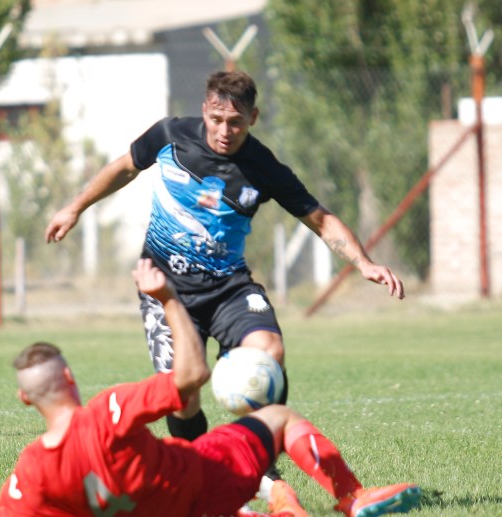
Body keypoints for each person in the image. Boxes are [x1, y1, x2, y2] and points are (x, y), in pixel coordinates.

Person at [45, 70, 405, 509]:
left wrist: (363, 262)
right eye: (216, 119)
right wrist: (75, 208)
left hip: (229, 287)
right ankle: (209, 488)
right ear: (204, 111)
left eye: (235, 122)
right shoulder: (170, 136)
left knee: (269, 350)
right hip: (166, 292)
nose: (224, 130)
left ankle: (273, 473)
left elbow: (320, 218)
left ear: (253, 117)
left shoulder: (263, 166)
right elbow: (124, 167)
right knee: (182, 395)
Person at [0, 259, 420, 517]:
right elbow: (193, 374)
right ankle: (351, 496)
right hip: (203, 481)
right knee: (277, 417)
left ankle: (281, 500)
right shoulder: (109, 409)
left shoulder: (31, 471)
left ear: (25, 398)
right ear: (70, 378)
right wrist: (167, 298)